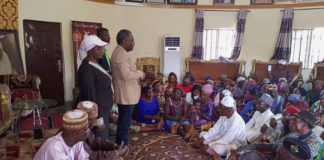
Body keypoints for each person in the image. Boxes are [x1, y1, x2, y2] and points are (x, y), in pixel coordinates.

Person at [111, 29, 145, 147]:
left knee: (124, 123)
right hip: (125, 95)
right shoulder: (120, 54)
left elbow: (128, 72)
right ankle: (122, 148)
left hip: (128, 94)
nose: (133, 43)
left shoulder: (122, 52)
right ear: (124, 41)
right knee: (124, 124)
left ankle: (120, 146)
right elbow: (126, 75)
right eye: (132, 40)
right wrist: (141, 74)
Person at [76, 35, 113, 140]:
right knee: (99, 140)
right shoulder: (87, 69)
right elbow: (89, 96)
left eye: (102, 48)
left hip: (103, 110)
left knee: (103, 138)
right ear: (90, 50)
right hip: (97, 113)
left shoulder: (94, 63)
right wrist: (98, 120)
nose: (102, 51)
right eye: (98, 48)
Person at [222, 138, 312, 160]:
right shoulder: (276, 147)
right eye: (282, 146)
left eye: (283, 150)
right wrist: (236, 152)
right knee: (251, 155)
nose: (279, 147)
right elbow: (256, 145)